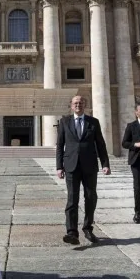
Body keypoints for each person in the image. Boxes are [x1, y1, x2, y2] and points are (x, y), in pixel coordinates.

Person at [56, 95, 111, 245]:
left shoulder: (93, 122)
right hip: (71, 165)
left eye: (81, 102)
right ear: (71, 105)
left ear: (84, 105)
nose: (78, 105)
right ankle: (72, 232)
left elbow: (100, 144)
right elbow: (60, 145)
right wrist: (59, 166)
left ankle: (88, 228)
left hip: (90, 165)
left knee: (90, 197)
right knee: (72, 199)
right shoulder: (64, 122)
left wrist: (105, 164)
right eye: (75, 103)